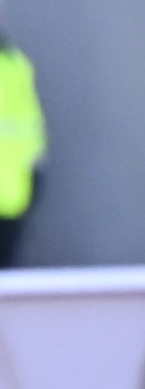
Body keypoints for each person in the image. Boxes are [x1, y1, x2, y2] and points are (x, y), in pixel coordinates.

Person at [0, 26, 43, 268]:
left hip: (12, 197)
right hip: (12, 194)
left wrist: (35, 173)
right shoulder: (14, 62)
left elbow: (29, 126)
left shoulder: (15, 63)